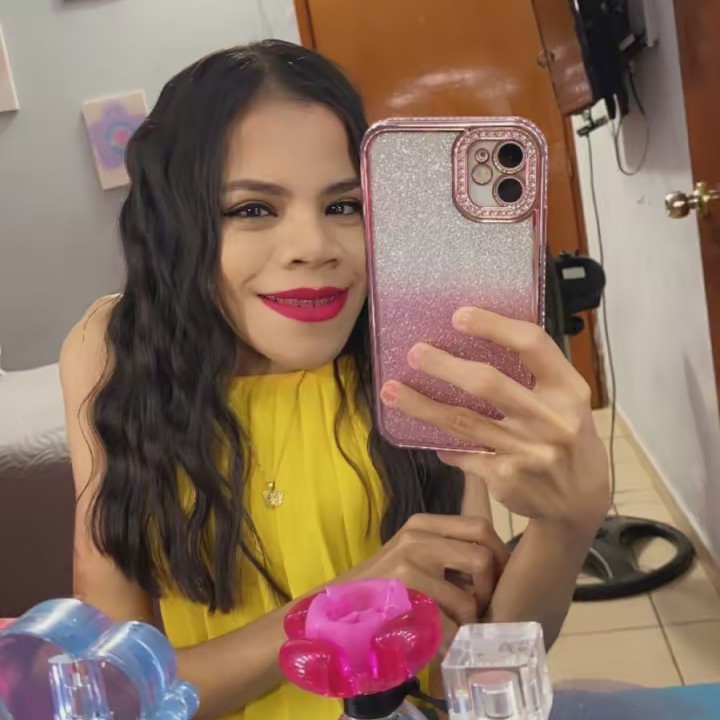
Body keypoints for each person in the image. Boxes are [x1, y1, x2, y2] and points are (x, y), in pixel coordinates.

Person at [60, 40, 610, 720]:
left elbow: (473, 663)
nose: (315, 247)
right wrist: (331, 613)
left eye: (345, 205)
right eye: (253, 209)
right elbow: (115, 690)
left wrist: (566, 524)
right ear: (177, 225)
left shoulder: (416, 357)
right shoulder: (111, 351)